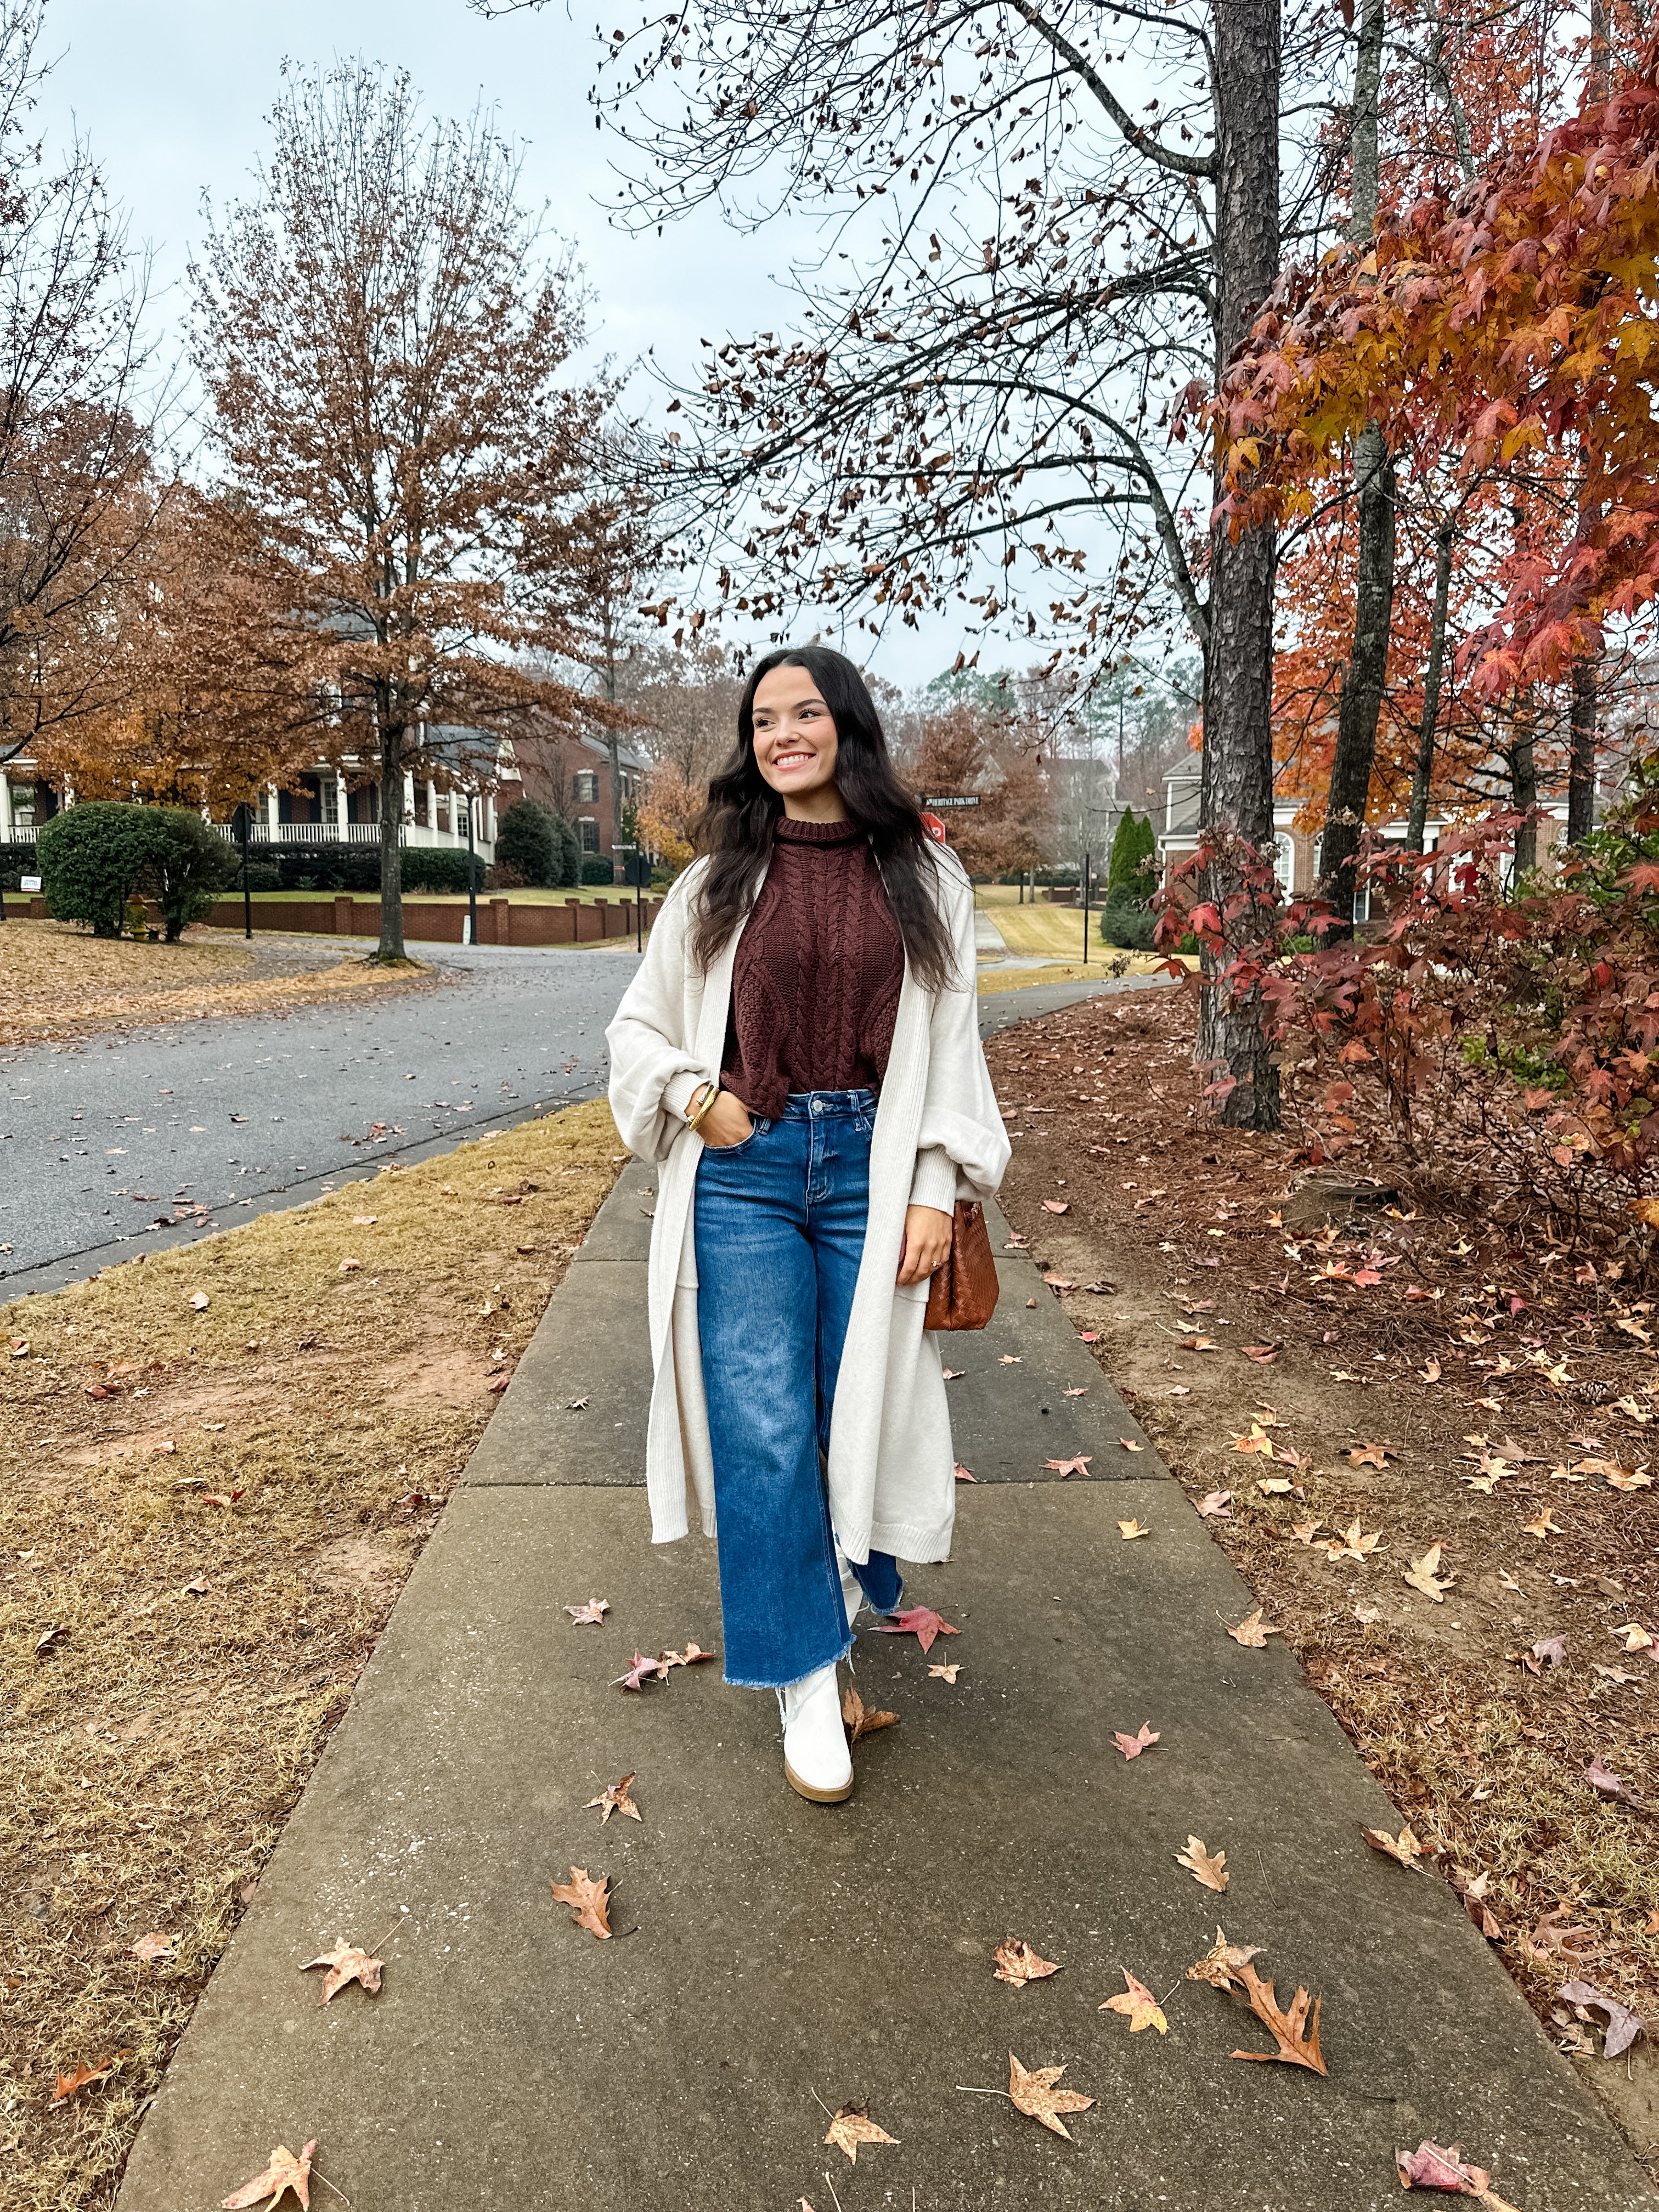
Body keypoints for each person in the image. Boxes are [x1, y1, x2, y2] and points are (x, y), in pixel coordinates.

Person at [607, 645, 1008, 1802]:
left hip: (875, 1170)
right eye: (766, 719)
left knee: (864, 1407)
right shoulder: (714, 884)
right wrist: (697, 1097)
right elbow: (638, 1028)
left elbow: (953, 1054)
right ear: (752, 742)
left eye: (808, 713)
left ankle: (827, 1606)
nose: (786, 734)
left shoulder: (926, 878)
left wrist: (938, 1184)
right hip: (747, 1169)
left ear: (848, 727)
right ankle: (803, 1675)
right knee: (767, 1425)